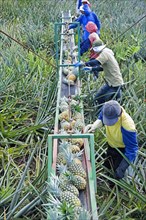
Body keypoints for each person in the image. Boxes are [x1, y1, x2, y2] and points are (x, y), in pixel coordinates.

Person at [85, 100, 138, 180]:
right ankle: (105, 180)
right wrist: (94, 125)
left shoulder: (127, 126)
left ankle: (115, 187)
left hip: (122, 151)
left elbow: (132, 149)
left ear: (119, 115)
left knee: (117, 173)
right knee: (107, 165)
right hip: (111, 145)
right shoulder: (106, 109)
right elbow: (101, 118)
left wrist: (122, 168)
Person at [74, 39, 124, 110]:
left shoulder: (105, 53)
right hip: (109, 83)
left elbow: (96, 62)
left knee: (114, 103)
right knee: (98, 97)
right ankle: (99, 111)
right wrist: (91, 69)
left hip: (115, 83)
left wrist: (84, 63)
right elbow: (102, 68)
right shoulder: (107, 51)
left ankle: (106, 114)